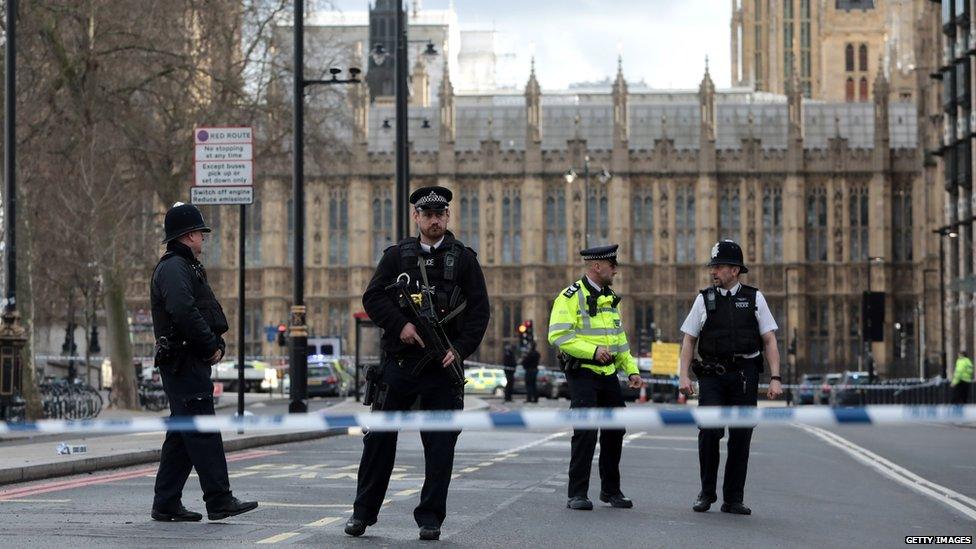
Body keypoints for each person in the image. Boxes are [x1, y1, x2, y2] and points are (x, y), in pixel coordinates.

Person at [345, 186, 490, 541]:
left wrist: (459, 349)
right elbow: (373, 296)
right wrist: (402, 324)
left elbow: (479, 311)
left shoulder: (464, 259)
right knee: (378, 442)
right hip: (400, 364)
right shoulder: (397, 257)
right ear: (416, 218)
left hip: (442, 367)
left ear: (448, 216)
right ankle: (363, 513)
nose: (434, 219)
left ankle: (430, 518)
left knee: (440, 446)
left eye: (440, 213)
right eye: (428, 214)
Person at [150, 203, 258, 522]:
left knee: (183, 435)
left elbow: (205, 310)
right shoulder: (173, 268)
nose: (203, 239)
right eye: (200, 233)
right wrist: (210, 345)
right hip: (183, 360)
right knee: (203, 430)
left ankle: (166, 502)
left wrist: (217, 341)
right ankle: (219, 498)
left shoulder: (187, 266)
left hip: (188, 360)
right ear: (188, 235)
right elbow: (184, 311)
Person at [677, 240, 783, 516]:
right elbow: (689, 340)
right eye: (713, 266)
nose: (714, 271)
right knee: (709, 433)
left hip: (744, 376)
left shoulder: (754, 298)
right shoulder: (703, 299)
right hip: (712, 376)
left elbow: (769, 340)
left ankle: (733, 498)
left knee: (741, 437)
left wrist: (775, 377)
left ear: (735, 270)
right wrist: (683, 376)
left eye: (719, 266)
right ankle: (706, 492)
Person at [548, 244, 643, 511]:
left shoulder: (610, 299)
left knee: (615, 429)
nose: (616, 269)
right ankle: (577, 493)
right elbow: (558, 335)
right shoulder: (569, 296)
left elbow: (619, 341)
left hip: (608, 373)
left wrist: (631, 370)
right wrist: (592, 351)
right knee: (586, 432)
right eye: (612, 265)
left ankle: (611, 491)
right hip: (582, 372)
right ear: (597, 266)